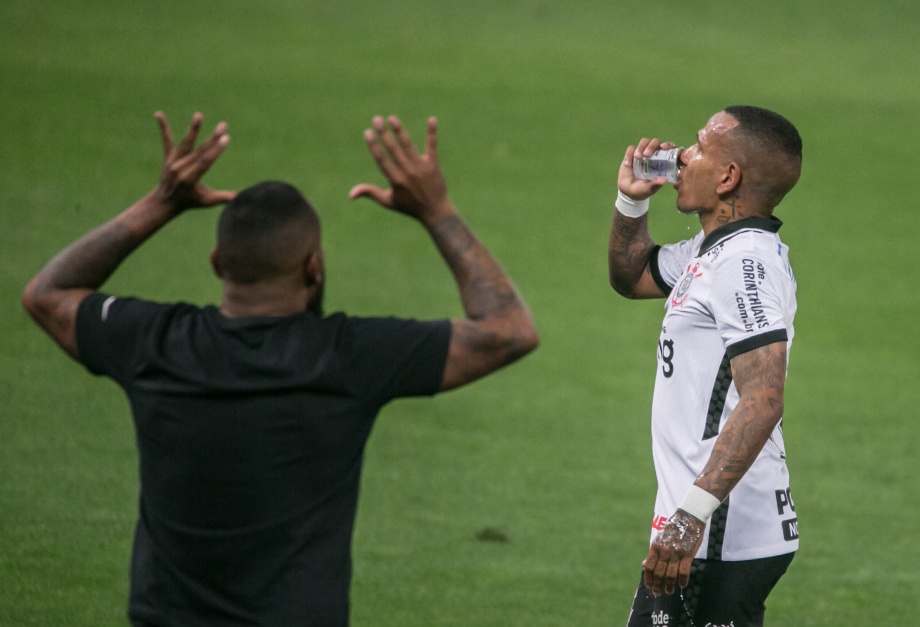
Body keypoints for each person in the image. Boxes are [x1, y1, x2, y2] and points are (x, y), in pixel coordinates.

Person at [21, 111, 538, 626]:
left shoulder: (153, 342)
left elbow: (47, 294)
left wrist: (160, 203)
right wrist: (436, 210)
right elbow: (509, 328)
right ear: (313, 266)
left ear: (218, 261)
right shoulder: (350, 358)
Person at [608, 106, 803, 627]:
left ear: (728, 177)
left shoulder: (745, 265)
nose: (679, 158)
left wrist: (691, 519)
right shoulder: (712, 251)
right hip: (706, 525)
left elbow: (763, 399)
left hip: (719, 533)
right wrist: (631, 201)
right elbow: (632, 277)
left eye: (697, 147)